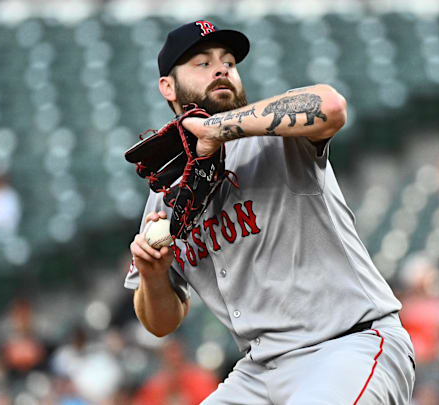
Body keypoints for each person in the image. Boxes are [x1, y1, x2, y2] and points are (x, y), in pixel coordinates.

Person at [125, 20, 415, 404]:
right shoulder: (166, 196)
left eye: (228, 61)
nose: (221, 68)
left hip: (346, 348)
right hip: (258, 371)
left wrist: (215, 128)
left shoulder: (275, 139)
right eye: (202, 62)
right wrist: (153, 276)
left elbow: (330, 106)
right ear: (168, 86)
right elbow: (160, 323)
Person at [134, 340, 218, 405]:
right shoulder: (153, 388)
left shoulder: (202, 382)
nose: (174, 365)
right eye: (170, 361)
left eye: (178, 360)